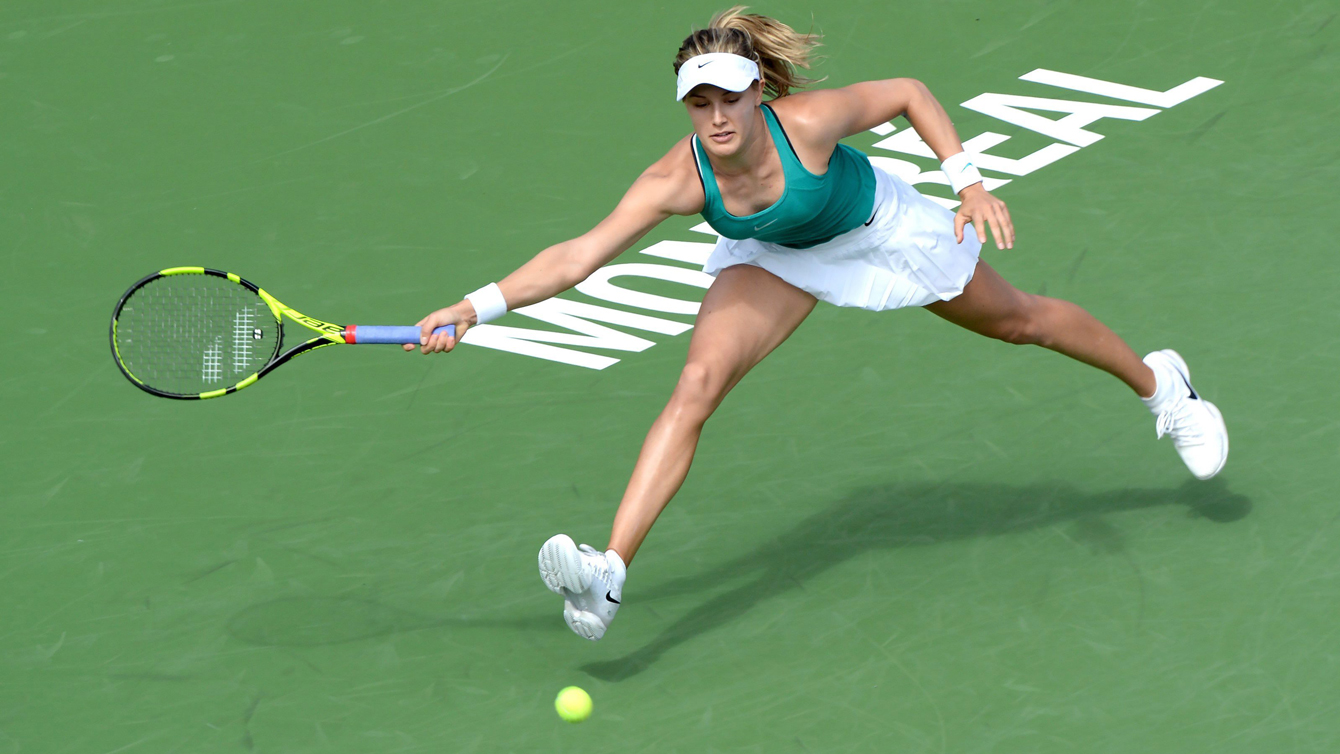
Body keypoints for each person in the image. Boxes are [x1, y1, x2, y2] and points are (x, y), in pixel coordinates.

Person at [405, 7, 1229, 641]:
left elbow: (909, 94)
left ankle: (1166, 387)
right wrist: (475, 308)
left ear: (758, 89)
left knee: (1018, 321)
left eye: (729, 94)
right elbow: (580, 255)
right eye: (699, 101)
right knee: (696, 385)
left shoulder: (806, 125)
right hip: (772, 253)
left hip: (875, 231)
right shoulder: (676, 178)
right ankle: (608, 572)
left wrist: (969, 182)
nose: (717, 114)